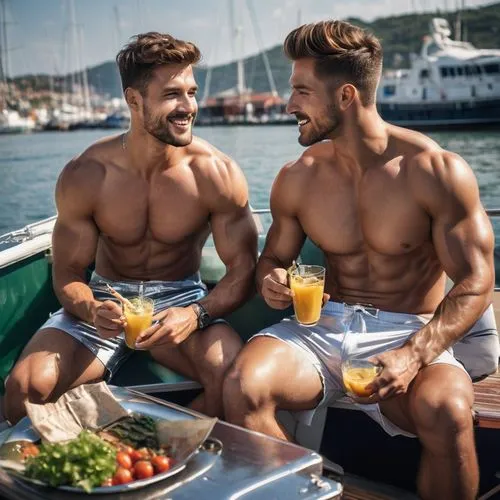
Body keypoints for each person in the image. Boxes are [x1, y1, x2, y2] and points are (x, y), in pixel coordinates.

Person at [223, 20, 499, 500]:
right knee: (242, 386)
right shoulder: (298, 177)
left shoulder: (434, 170)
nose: (290, 105)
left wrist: (415, 353)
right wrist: (272, 281)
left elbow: (476, 280)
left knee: (448, 410)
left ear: (346, 96)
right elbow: (273, 258)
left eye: (301, 92)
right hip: (321, 329)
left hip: (409, 328)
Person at [4, 32, 257, 424]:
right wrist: (91, 307)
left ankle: (158, 455)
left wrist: (196, 314)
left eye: (191, 92)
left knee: (234, 378)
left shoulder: (215, 174)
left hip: (181, 302)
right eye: (173, 94)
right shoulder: (86, 174)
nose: (188, 106)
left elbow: (242, 270)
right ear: (134, 100)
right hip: (104, 302)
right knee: (25, 389)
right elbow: (68, 273)